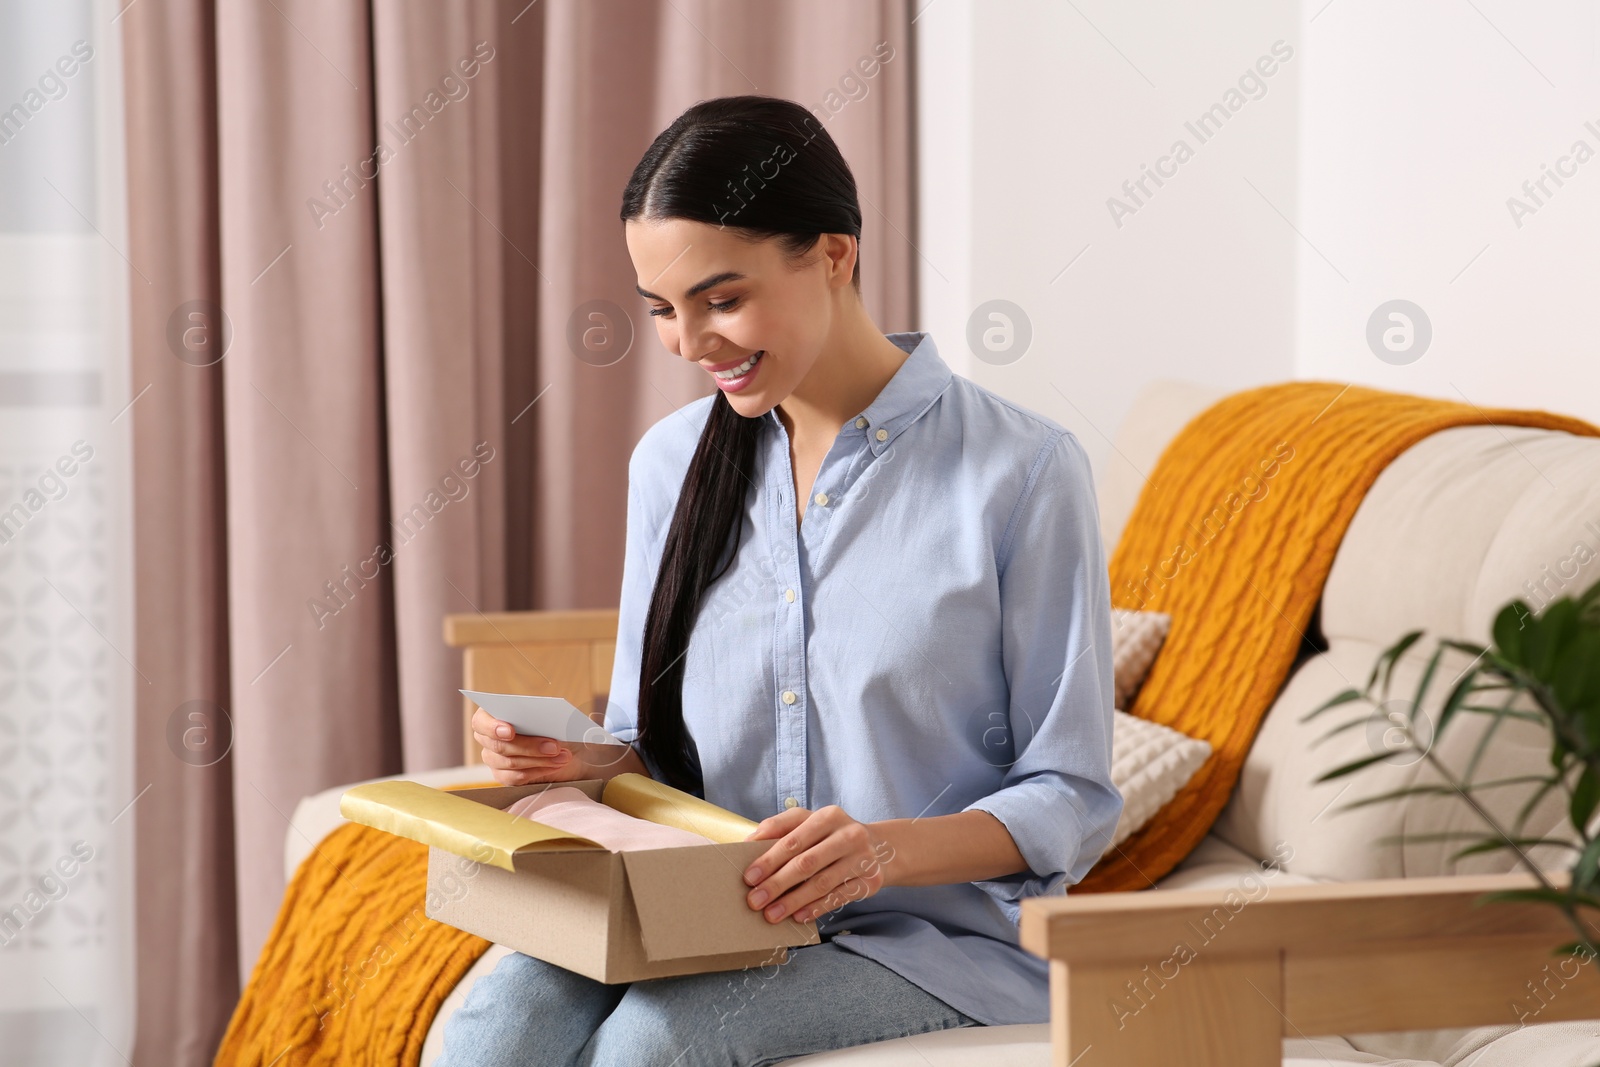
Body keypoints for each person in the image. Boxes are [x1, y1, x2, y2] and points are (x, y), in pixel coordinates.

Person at [436, 94, 1121, 1067]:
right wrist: (573, 757)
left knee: (651, 1047)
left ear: (833, 254)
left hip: (932, 938)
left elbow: (1071, 793)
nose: (687, 341)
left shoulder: (1020, 470)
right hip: (689, 907)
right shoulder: (670, 463)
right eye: (662, 310)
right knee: (486, 1032)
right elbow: (648, 752)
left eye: (721, 298)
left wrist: (878, 848)